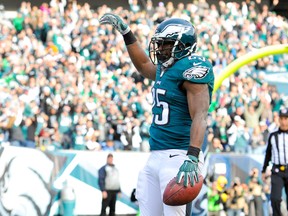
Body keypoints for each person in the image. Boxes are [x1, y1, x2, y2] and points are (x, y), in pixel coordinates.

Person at [99, 14, 214, 215]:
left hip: (179, 156)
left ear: (183, 45)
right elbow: (143, 65)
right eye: (159, 44)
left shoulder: (193, 68)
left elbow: (200, 115)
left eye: (166, 44)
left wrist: (193, 157)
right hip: (155, 155)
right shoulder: (166, 67)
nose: (160, 49)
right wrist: (127, 33)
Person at [262, 107, 288, 216]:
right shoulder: (273, 136)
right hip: (277, 171)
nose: (283, 121)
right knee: (275, 199)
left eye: (286, 118)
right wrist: (263, 170)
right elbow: (268, 154)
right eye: (281, 118)